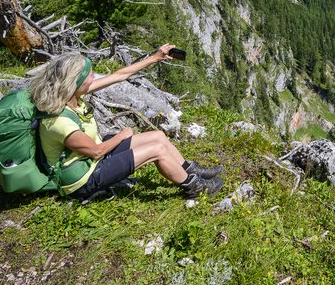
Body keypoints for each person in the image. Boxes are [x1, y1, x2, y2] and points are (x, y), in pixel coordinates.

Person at [26, 44, 224, 199]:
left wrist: (155, 57)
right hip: (82, 179)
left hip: (92, 160)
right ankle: (194, 187)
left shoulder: (72, 96)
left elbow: (119, 76)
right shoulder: (59, 121)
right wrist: (123, 135)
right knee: (157, 150)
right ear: (74, 82)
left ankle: (190, 169)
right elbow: (96, 151)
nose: (93, 76)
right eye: (89, 74)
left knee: (158, 136)